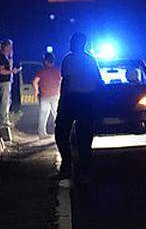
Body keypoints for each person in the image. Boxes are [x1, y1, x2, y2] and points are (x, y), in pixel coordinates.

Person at [55, 32, 101, 180]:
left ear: (76, 43)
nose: (70, 44)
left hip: (72, 99)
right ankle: (84, 166)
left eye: (72, 41)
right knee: (85, 135)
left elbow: (66, 82)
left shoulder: (68, 59)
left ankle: (68, 164)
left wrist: (62, 102)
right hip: (87, 101)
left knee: (62, 131)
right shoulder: (91, 60)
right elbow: (98, 81)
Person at [33, 52, 62, 136]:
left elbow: (35, 82)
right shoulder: (58, 70)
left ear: (45, 61)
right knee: (57, 115)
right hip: (55, 95)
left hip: (44, 96)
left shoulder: (41, 71)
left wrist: (36, 91)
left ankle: (42, 134)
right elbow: (62, 80)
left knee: (43, 115)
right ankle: (59, 133)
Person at [0, 39, 20, 131]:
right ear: (6, 47)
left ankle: (5, 120)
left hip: (7, 81)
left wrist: (10, 57)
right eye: (10, 47)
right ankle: (2, 122)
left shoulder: (5, 56)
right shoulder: (1, 57)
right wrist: (12, 71)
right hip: (3, 82)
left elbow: (8, 66)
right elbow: (1, 71)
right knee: (4, 102)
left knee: (7, 101)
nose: (11, 48)